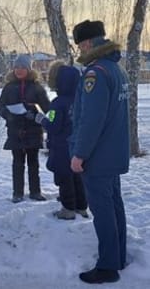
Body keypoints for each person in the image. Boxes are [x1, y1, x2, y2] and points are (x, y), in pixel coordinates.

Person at [70, 20, 130, 283]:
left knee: (103, 210)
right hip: (113, 152)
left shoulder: (95, 73)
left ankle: (107, 266)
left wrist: (79, 154)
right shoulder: (116, 69)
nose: (79, 52)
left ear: (87, 43)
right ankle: (118, 256)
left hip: (97, 156)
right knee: (114, 205)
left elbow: (91, 120)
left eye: (80, 46)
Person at [27, 61, 88, 220]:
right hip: (78, 145)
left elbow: (53, 126)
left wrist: (41, 119)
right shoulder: (82, 100)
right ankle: (81, 207)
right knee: (77, 178)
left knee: (64, 177)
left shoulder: (57, 104)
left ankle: (68, 208)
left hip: (61, 147)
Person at [0, 54, 50, 203]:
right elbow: (0, 107)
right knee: (17, 163)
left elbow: (47, 108)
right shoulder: (8, 87)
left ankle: (35, 191)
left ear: (29, 69)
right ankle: (17, 193)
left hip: (33, 130)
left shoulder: (36, 87)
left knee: (33, 163)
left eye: (22, 67)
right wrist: (9, 115)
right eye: (16, 67)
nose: (19, 70)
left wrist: (38, 115)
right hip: (15, 131)